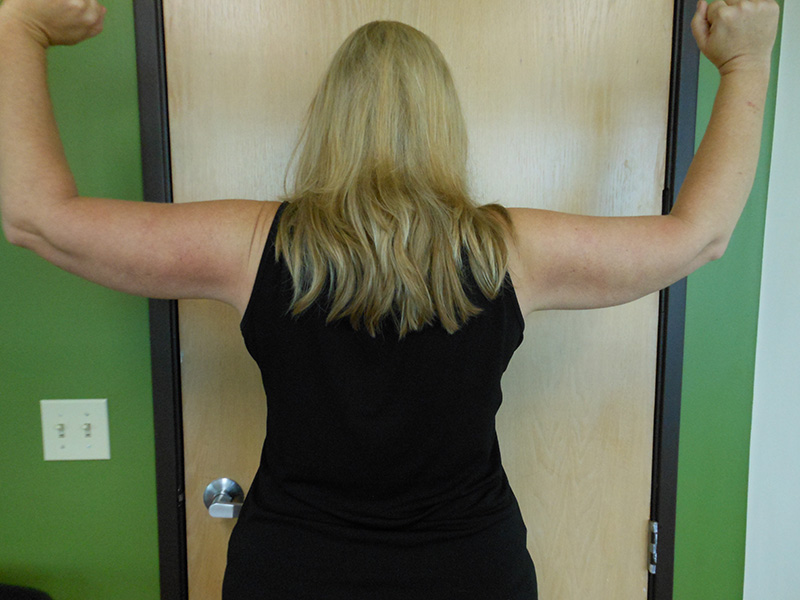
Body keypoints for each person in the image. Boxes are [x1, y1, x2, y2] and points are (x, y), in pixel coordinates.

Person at [0, 1, 780, 598]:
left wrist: (19, 26)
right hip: (471, 571)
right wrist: (749, 61)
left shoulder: (254, 245)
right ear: (444, 125)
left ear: (329, 121)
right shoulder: (510, 251)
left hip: (292, 572)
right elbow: (700, 236)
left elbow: (34, 215)